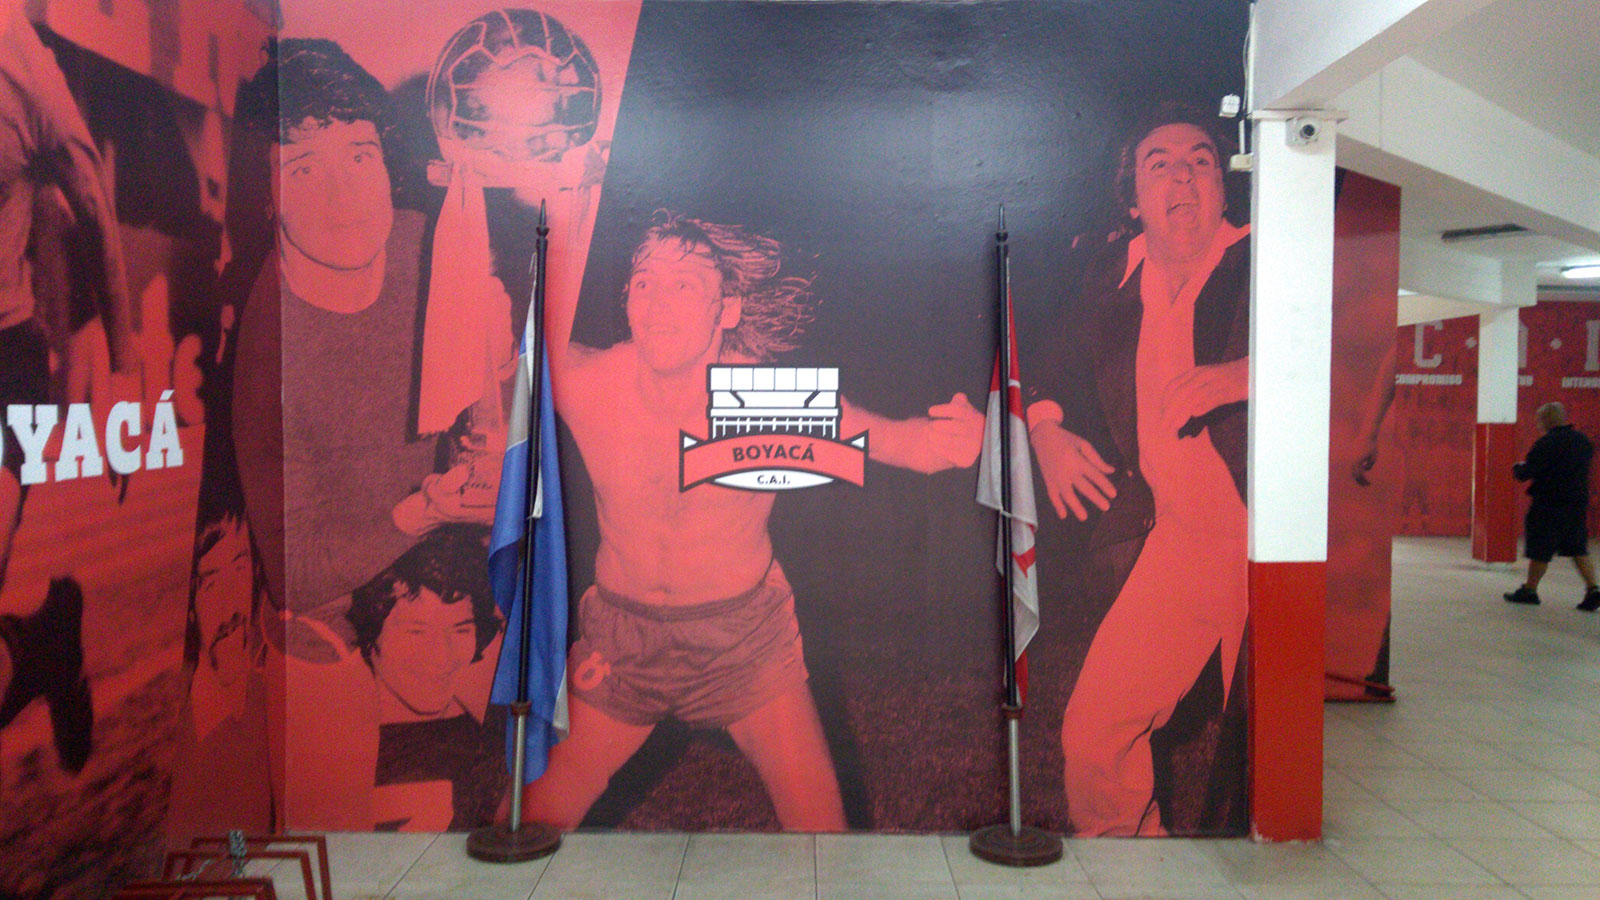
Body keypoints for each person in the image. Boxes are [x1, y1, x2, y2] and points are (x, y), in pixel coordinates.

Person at [523, 210, 985, 831]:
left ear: (729, 309)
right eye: (644, 283)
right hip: (623, 638)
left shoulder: (764, 400)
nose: (657, 304)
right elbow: (493, 358)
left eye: (684, 285)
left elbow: (906, 444)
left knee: (821, 834)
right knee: (526, 823)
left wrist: (961, 439)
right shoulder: (587, 382)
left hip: (744, 642)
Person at [1026, 104, 1249, 836]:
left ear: (1222, 187)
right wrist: (1045, 430)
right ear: (1132, 201)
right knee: (1096, 736)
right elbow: (1044, 360)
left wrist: (1241, 375)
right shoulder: (1112, 277)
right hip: (1183, 546)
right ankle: (1129, 875)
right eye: (1161, 164)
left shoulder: (1265, 260)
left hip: (1271, 547)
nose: (1183, 175)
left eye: (1201, 161)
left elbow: (1336, 354)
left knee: (1258, 758)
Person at [0, 5, 137, 775]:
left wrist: (123, 372)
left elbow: (93, 207)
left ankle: (45, 641)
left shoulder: (20, 58)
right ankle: (45, 642)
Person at [1504, 401, 1598, 610]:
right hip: (1576, 504)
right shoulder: (1583, 441)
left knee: (1540, 549)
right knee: (1578, 548)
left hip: (1548, 505)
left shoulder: (1546, 443)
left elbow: (1527, 472)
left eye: (1540, 419)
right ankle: (1593, 589)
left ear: (1547, 419)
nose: (1538, 423)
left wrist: (1517, 469)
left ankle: (1530, 590)